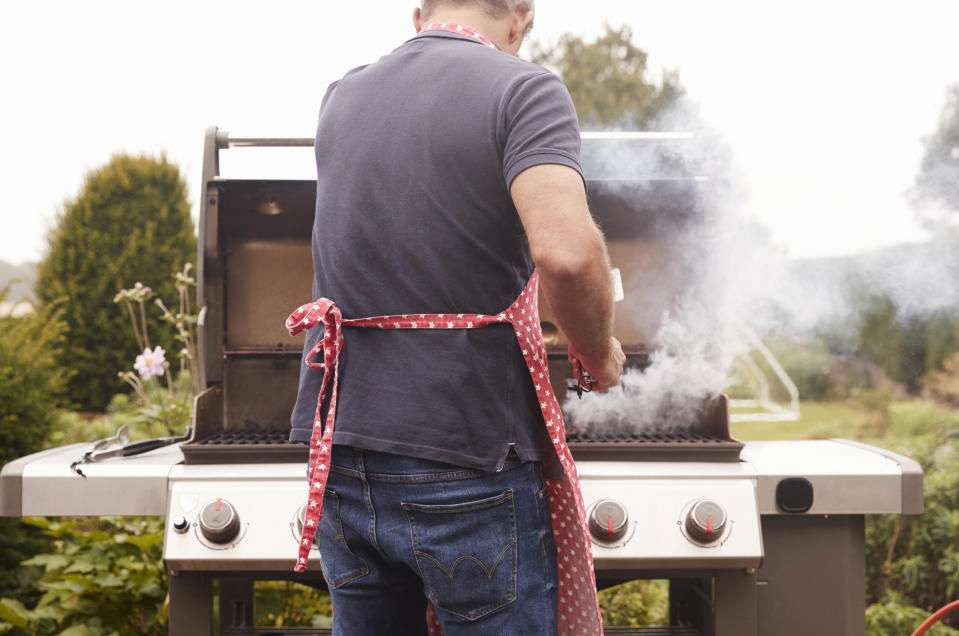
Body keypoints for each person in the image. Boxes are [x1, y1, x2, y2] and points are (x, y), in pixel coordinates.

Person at [287, 1, 625, 634]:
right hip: (463, 452)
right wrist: (599, 353)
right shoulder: (524, 88)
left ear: (420, 15)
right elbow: (571, 256)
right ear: (521, 17)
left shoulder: (343, 94)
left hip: (343, 445)